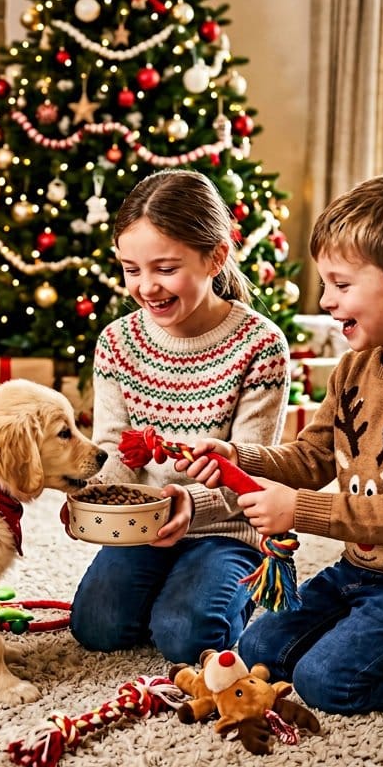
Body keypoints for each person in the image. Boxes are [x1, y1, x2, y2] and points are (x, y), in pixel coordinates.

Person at [179, 173, 383, 715]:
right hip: (363, 569)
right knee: (259, 650)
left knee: (327, 682)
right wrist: (240, 457)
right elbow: (312, 457)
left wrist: (299, 511)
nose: (326, 300)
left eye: (341, 284)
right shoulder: (356, 366)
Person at [66, 168, 291, 665]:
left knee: (187, 637)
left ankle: (227, 588)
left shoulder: (260, 345)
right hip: (144, 523)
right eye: (131, 269)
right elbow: (114, 450)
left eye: (165, 269)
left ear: (216, 257)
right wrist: (89, 497)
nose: (147, 287)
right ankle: (173, 586)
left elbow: (250, 471)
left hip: (225, 527)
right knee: (96, 626)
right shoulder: (117, 342)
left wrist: (191, 503)